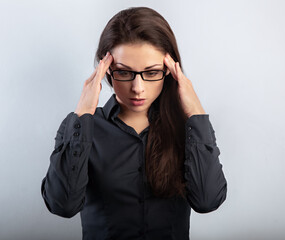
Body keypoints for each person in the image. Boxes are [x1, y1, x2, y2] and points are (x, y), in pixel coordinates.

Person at [41, 6, 227, 240]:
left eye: (151, 73)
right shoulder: (80, 129)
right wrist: (83, 113)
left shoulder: (188, 130)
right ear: (106, 70)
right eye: (124, 72)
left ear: (170, 70)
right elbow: (62, 205)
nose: (137, 88)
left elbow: (207, 201)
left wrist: (194, 111)